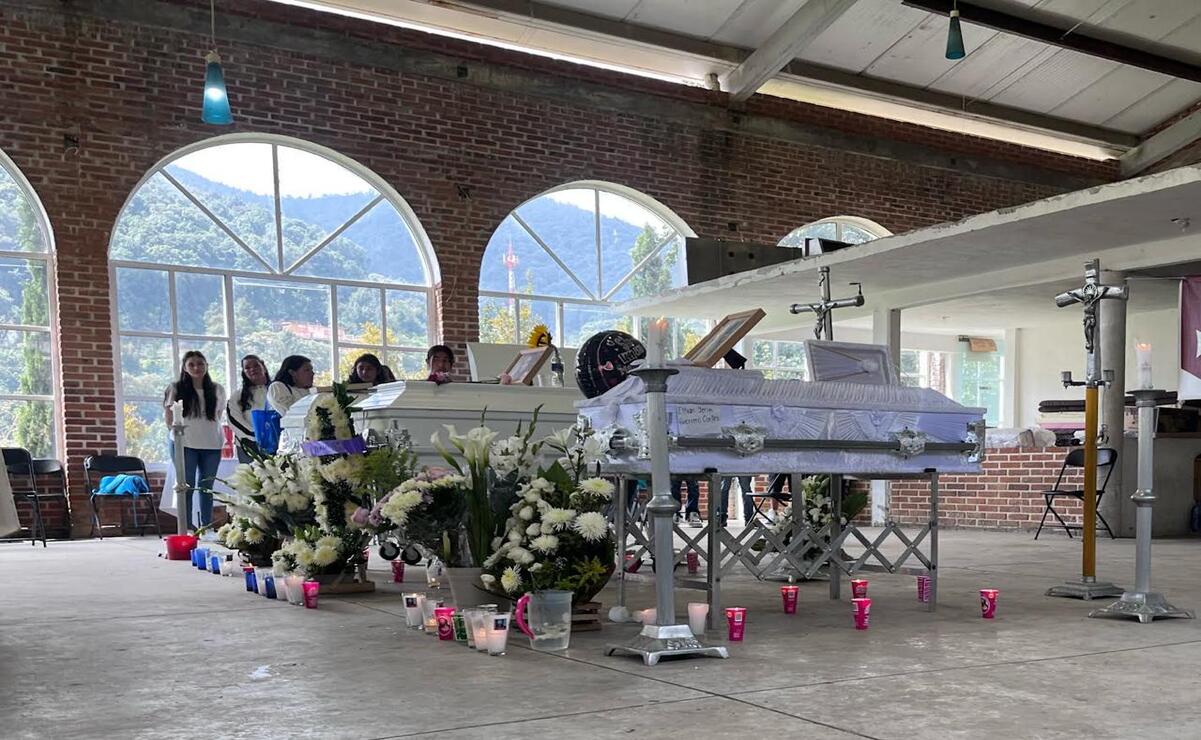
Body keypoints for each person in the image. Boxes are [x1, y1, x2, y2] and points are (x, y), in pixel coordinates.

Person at [163, 351, 226, 531]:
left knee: (207, 487)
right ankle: (187, 526)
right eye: (191, 364)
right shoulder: (176, 388)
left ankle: (206, 527)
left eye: (200, 363)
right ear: (185, 367)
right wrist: (176, 435)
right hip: (185, 443)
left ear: (206, 366)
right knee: (186, 486)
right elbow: (169, 415)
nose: (196, 367)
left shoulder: (217, 389)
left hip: (212, 444)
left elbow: (218, 415)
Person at [226, 354, 269, 463]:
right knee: (252, 479)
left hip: (276, 443)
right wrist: (255, 436)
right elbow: (234, 420)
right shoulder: (238, 396)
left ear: (263, 365)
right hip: (248, 446)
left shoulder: (276, 389)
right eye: (247, 368)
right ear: (244, 372)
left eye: (256, 365)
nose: (252, 369)